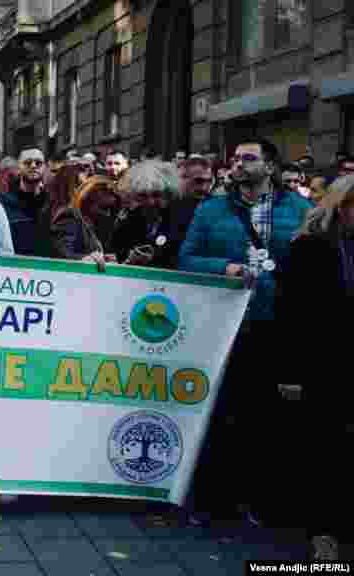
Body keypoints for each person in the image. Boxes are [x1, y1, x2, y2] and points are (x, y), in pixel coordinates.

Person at [178, 137, 313, 528]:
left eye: (247, 158)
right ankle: (215, 500)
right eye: (235, 158)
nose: (237, 164)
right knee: (223, 411)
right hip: (225, 325)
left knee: (270, 416)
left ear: (270, 167)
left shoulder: (300, 210)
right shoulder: (211, 209)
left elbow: (315, 263)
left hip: (278, 325)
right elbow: (187, 258)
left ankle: (265, 500)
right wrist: (226, 268)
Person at [278, 175, 354, 560]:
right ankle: (322, 531)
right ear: (342, 207)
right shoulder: (309, 248)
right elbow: (292, 316)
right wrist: (291, 373)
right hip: (322, 363)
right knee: (324, 447)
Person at [0, 147, 50, 257]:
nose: (33, 166)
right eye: (28, 162)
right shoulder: (2, 204)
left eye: (38, 163)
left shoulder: (52, 202)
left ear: (44, 167)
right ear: (19, 168)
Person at [111, 161, 176, 267]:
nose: (150, 201)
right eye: (143, 195)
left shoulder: (179, 219)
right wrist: (129, 259)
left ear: (167, 194)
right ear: (134, 195)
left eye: (156, 195)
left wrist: (154, 260)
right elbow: (119, 254)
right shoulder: (126, 222)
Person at [51, 175, 121, 267]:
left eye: (110, 210)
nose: (107, 214)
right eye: (104, 208)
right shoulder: (70, 216)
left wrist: (104, 258)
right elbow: (62, 253)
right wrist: (84, 259)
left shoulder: (91, 225)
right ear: (89, 200)